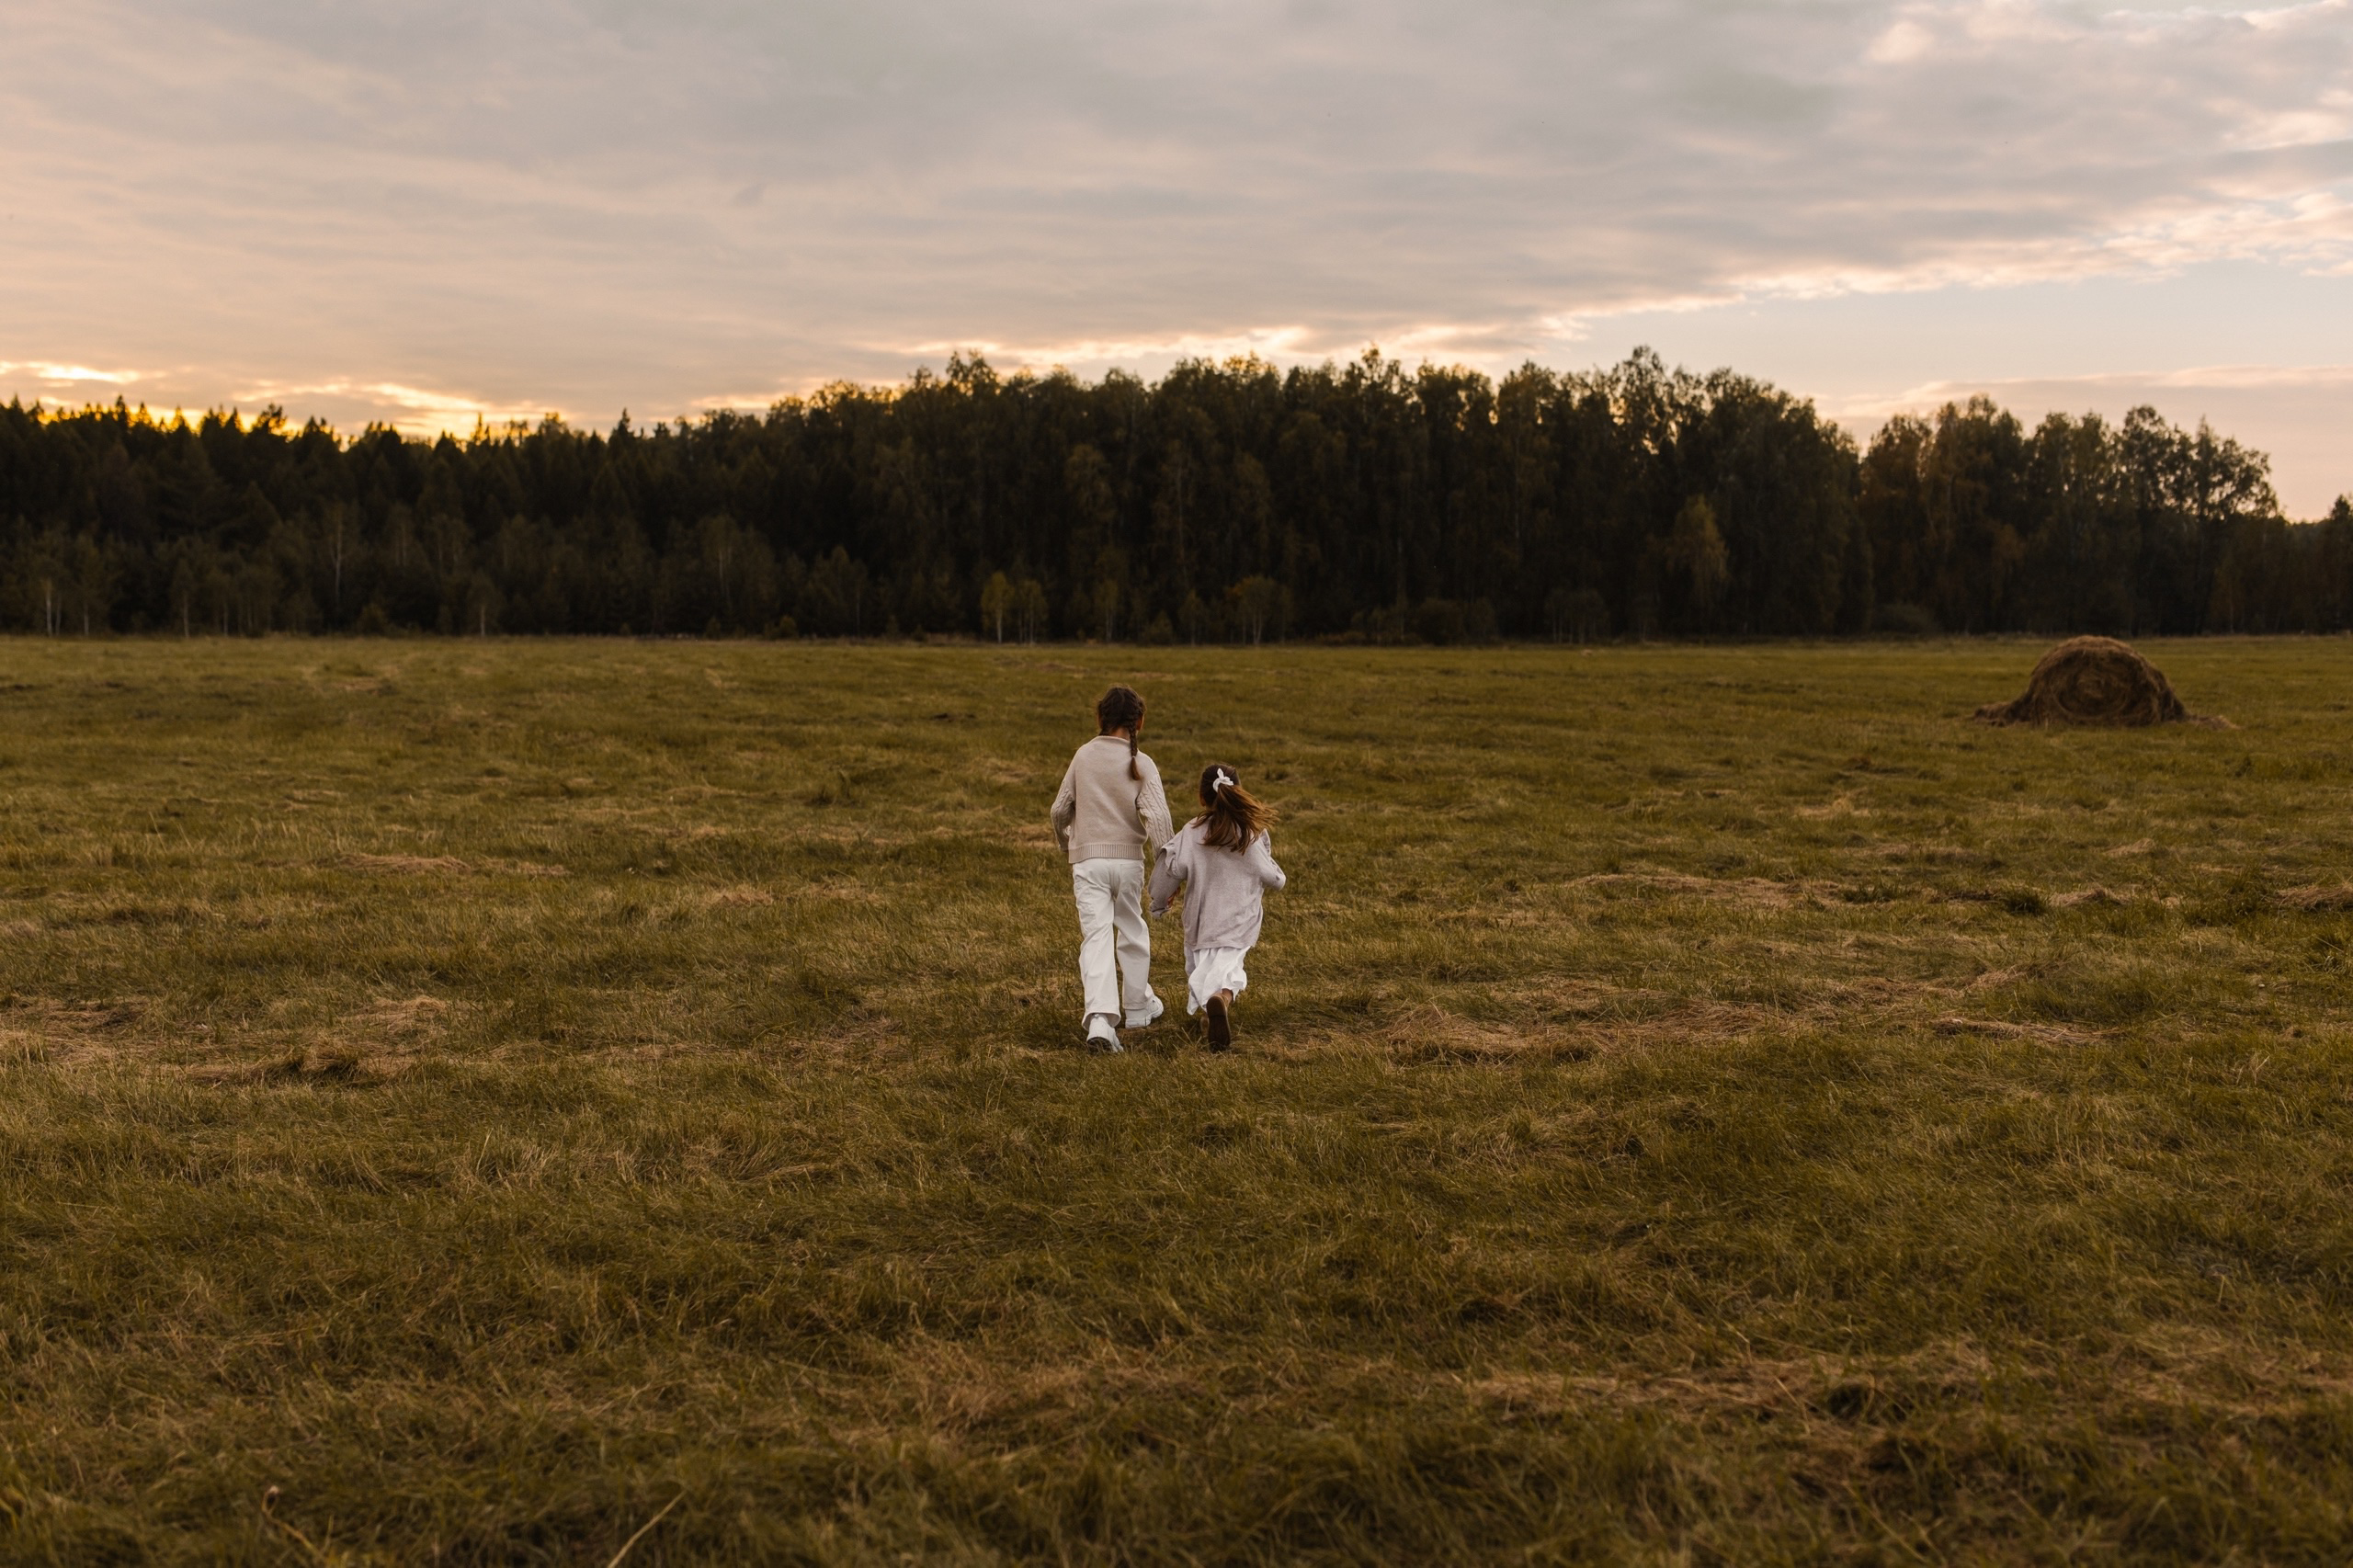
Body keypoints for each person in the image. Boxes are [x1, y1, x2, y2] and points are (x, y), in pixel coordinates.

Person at [1050, 685, 1173, 1052]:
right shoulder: (1143, 763)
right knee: (1132, 930)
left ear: (1100, 718)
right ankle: (1137, 1008)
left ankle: (1101, 1021)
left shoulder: (1083, 757)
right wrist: (1169, 873)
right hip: (1128, 864)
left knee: (1097, 937)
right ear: (1140, 721)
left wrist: (1066, 840)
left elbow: (1059, 810)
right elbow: (1159, 820)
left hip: (1088, 863)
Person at [1150, 763, 1285, 1051]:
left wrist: (1159, 901)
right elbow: (1274, 877)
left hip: (1200, 923)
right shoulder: (1250, 833)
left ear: (1202, 798)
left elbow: (1168, 868)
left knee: (1201, 970)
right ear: (1237, 793)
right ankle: (1221, 1000)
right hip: (1239, 921)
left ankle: (1211, 1015)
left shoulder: (1191, 832)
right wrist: (1276, 875)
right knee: (1230, 971)